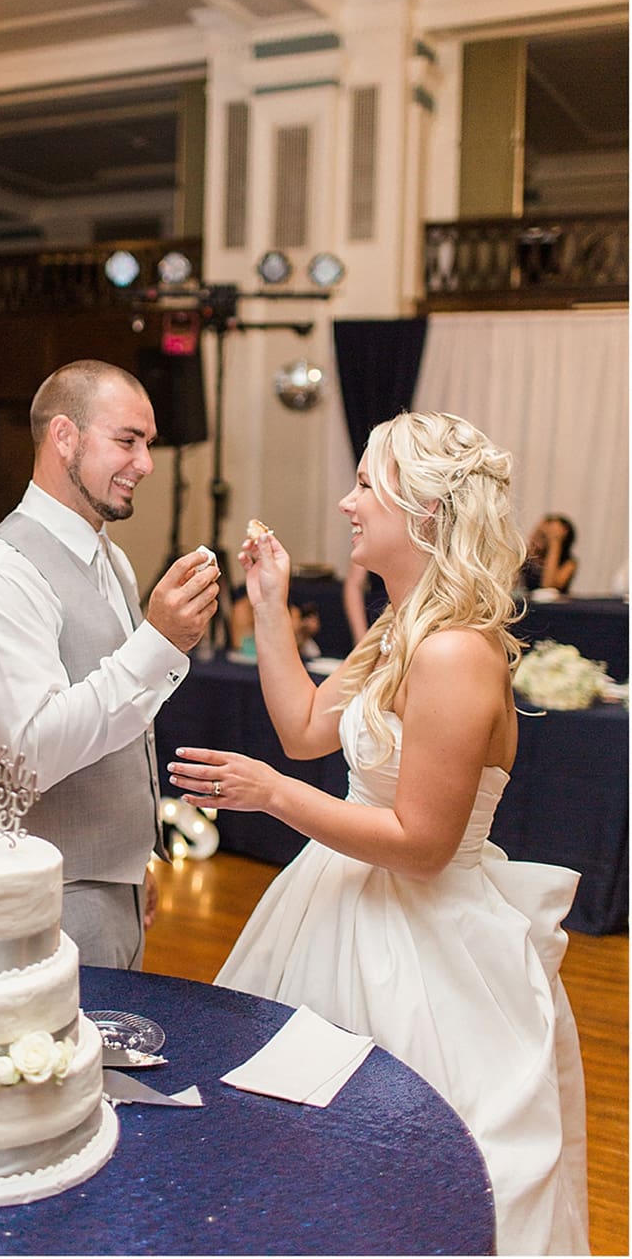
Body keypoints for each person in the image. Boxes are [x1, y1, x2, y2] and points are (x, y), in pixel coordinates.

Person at [171, 411, 588, 1254]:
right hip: (333, 906)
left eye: (366, 483)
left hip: (426, 942)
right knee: (298, 1156)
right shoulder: (402, 632)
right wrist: (271, 602)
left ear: (423, 509)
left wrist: (276, 795)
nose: (347, 500)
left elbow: (424, 843)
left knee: (404, 1170)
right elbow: (303, 729)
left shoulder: (454, 653)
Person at [0, 360, 220, 968]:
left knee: (111, 1064)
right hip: (40, 893)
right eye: (127, 441)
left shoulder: (111, 562)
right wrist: (160, 641)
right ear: (64, 437)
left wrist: (130, 864)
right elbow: (33, 750)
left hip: (112, 885)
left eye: (148, 443)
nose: (145, 463)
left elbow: (123, 722)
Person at [522, 514, 577, 595]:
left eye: (544, 536)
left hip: (553, 607)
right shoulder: (524, 557)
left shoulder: (569, 563)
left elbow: (548, 587)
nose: (538, 538)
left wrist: (555, 542)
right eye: (539, 533)